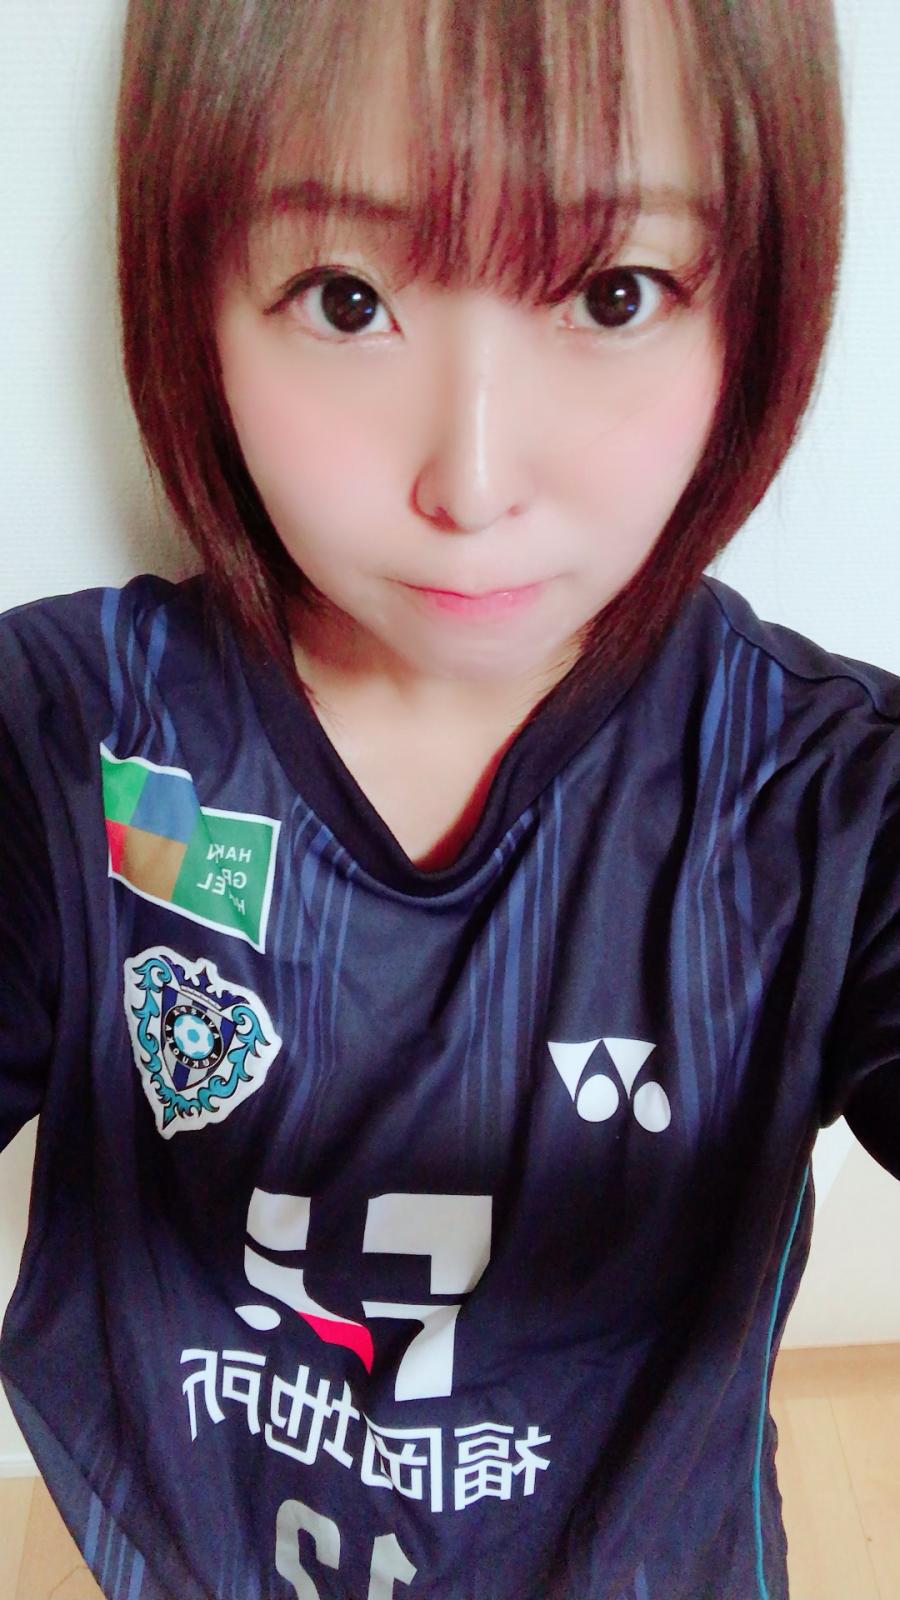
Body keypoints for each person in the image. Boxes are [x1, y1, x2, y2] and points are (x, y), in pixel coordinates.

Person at [0, 0, 896, 1596]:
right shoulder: (75, 745)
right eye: (347, 297)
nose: (471, 484)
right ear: (193, 292)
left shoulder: (819, 802)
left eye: (615, 291)